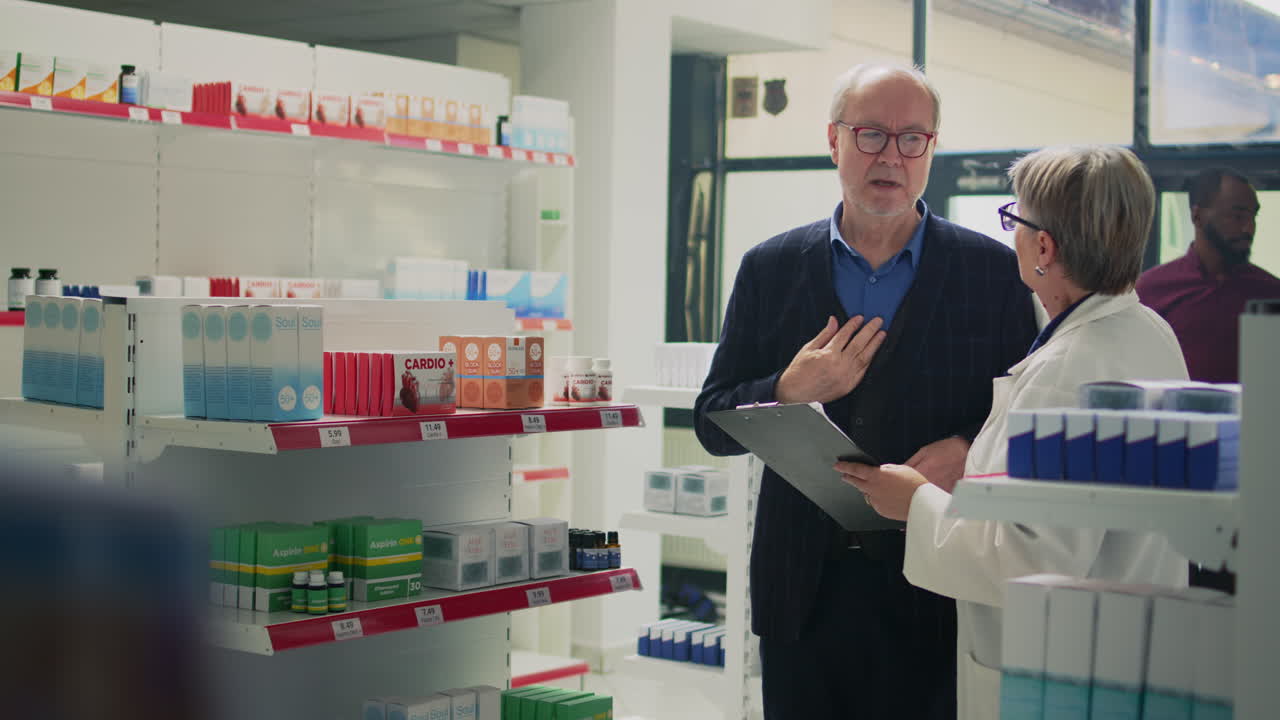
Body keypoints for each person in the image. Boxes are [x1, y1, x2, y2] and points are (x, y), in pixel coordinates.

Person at [693, 63, 1038, 719]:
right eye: (872, 134)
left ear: (932, 150)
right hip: (803, 589)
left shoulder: (990, 273)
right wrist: (787, 388)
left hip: (935, 582)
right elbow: (712, 421)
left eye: (913, 139)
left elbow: (1021, 417)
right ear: (834, 141)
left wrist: (971, 446)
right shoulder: (771, 268)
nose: (892, 156)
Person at [839, 145, 1190, 719]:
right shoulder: (1149, 333)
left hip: (1063, 670)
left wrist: (917, 503)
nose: (1013, 236)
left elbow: (1034, 563)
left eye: (1015, 220)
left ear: (1044, 246)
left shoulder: (1068, 372)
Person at [1137, 167, 1280, 383]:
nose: (1249, 228)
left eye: (1253, 216)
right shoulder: (1150, 291)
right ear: (1197, 216)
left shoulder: (1271, 293)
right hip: (1172, 415)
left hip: (1257, 416)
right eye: (1237, 215)